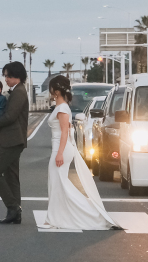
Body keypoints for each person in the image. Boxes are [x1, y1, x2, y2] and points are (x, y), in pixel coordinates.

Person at [38, 75, 121, 231]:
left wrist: (60, 153)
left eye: (50, 89)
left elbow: (64, 132)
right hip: (61, 147)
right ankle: (54, 218)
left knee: (58, 183)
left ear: (56, 91)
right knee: (58, 183)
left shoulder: (62, 108)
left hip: (61, 148)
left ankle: (88, 215)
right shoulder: (61, 107)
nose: (49, 91)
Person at [0, 61, 30, 225]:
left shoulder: (19, 92)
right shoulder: (16, 91)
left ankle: (13, 207)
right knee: (12, 176)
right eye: (5, 75)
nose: (5, 79)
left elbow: (10, 116)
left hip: (12, 140)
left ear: (17, 76)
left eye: (8, 76)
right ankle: (14, 213)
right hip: (14, 139)